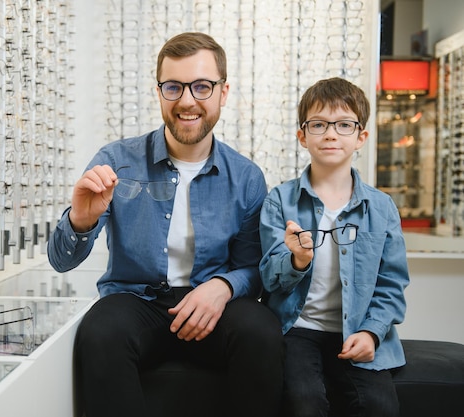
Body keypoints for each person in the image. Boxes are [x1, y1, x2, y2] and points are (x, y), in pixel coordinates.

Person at [48, 32, 283, 417]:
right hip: (137, 303)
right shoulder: (116, 161)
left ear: (223, 93)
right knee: (99, 331)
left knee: (261, 330)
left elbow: (253, 267)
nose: (187, 101)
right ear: (159, 92)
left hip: (212, 306)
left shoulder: (247, 177)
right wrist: (81, 219)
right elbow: (60, 261)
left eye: (202, 87)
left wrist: (222, 287)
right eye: (173, 87)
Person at [259, 77, 409, 417]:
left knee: (380, 406)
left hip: (357, 331)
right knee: (304, 402)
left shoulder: (382, 208)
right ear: (302, 136)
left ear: (361, 137)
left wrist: (371, 333)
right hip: (296, 331)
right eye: (319, 125)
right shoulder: (280, 201)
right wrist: (297, 260)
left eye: (344, 125)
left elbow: (392, 285)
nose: (330, 134)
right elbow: (268, 278)